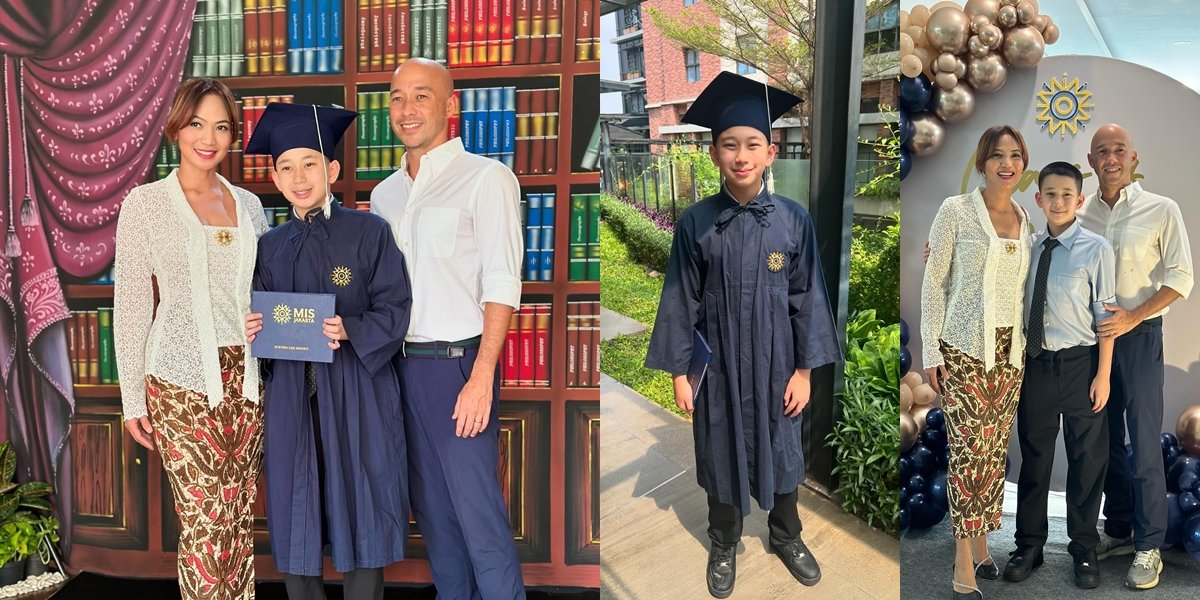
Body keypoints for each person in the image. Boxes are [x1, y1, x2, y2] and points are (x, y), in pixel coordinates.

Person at [644, 71, 841, 599]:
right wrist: (682, 375)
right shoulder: (697, 223)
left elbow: (808, 299)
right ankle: (724, 540)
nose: (741, 154)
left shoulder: (792, 221)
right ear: (713, 154)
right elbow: (680, 298)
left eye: (752, 144)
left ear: (771, 152)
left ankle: (786, 535)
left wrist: (803, 371)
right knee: (718, 447)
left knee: (782, 448)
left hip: (778, 364)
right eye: (729, 145)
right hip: (720, 364)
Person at [241, 102, 413, 600]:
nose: (299, 177)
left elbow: (397, 307)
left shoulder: (369, 232)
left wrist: (351, 329)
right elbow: (263, 321)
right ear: (274, 176)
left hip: (356, 392)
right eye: (287, 167)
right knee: (297, 510)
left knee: (360, 501)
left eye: (310, 164)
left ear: (332, 170)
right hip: (294, 397)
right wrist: (254, 328)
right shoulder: (268, 246)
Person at [370, 57, 526, 599]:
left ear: (450, 105)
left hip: (459, 368)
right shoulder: (384, 196)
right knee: (434, 515)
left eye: (421, 96)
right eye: (396, 97)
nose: (406, 109)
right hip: (397, 371)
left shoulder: (486, 179)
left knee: (478, 517)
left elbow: (503, 280)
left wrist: (482, 374)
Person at [114, 78, 269, 600]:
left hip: (245, 382)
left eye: (221, 127)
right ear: (176, 127)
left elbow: (262, 292)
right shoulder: (146, 204)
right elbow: (132, 302)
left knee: (236, 518)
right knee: (204, 521)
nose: (209, 138)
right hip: (179, 383)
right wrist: (132, 397)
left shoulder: (249, 206)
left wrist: (263, 320)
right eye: (197, 123)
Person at [1080, 124, 1193, 590]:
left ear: (1133, 158)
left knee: (1145, 444)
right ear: (1091, 161)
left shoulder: (1161, 209)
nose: (1110, 158)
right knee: (1104, 443)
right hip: (1091, 342)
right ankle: (1121, 529)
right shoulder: (1079, 211)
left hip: (1141, 337)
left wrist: (1132, 316)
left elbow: (1181, 277)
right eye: (1102, 151)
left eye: (1119, 150)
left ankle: (1149, 547)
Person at [921, 125, 1033, 600]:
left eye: (1015, 155)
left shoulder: (1027, 217)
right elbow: (934, 282)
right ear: (983, 162)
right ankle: (963, 557)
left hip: (1010, 356)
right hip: (964, 350)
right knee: (967, 455)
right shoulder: (957, 210)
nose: (1006, 163)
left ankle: (985, 545)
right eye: (997, 155)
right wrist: (931, 349)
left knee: (992, 454)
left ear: (1022, 164)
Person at [1004, 161, 1115, 589]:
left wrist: (1103, 375)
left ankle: (1084, 547)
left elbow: (1106, 318)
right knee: (1036, 458)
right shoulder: (1026, 247)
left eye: (1067, 194)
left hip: (1081, 365)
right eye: (1050, 193)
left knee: (1087, 460)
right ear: (1038, 199)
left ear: (1080, 200)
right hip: (1035, 365)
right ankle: (1028, 545)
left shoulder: (1096, 249)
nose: (1058, 201)